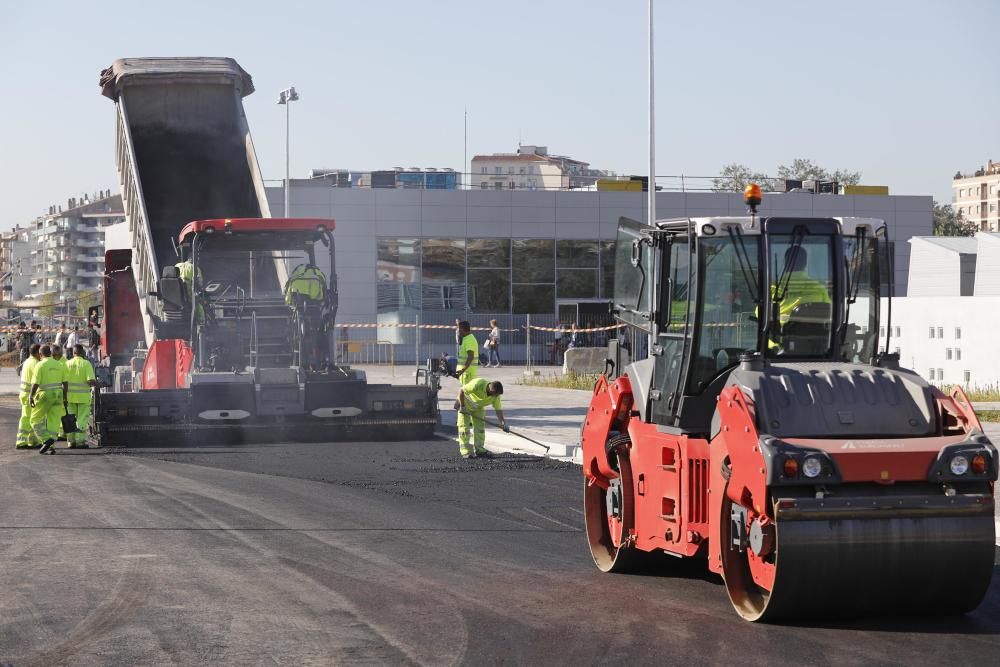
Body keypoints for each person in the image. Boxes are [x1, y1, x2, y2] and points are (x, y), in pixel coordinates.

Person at [28, 344, 68, 455]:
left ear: (40, 354)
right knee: (53, 422)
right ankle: (51, 446)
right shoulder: (60, 364)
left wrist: (31, 396)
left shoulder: (40, 365)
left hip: (45, 395)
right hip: (58, 394)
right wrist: (65, 397)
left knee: (34, 419)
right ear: (50, 353)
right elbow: (65, 383)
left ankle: (46, 440)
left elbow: (35, 383)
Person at [455, 378, 508, 459]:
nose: (497, 397)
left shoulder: (495, 396)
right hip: (465, 406)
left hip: (478, 408)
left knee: (480, 429)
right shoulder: (478, 383)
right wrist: (462, 406)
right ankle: (465, 451)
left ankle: (479, 450)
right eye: (496, 394)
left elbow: (498, 410)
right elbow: (461, 390)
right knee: (464, 429)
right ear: (492, 391)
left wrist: (503, 423)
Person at [65, 344, 97, 449]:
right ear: (82, 353)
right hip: (83, 397)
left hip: (70, 397)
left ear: (73, 353)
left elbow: (63, 381)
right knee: (82, 419)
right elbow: (90, 381)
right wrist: (98, 383)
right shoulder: (86, 363)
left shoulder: (67, 364)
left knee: (70, 419)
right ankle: (80, 442)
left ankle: (71, 442)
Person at [15, 343, 42, 449]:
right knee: (26, 418)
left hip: (25, 393)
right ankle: (21, 441)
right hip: (29, 395)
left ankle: (33, 441)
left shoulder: (27, 361)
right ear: (37, 352)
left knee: (31, 417)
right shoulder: (35, 363)